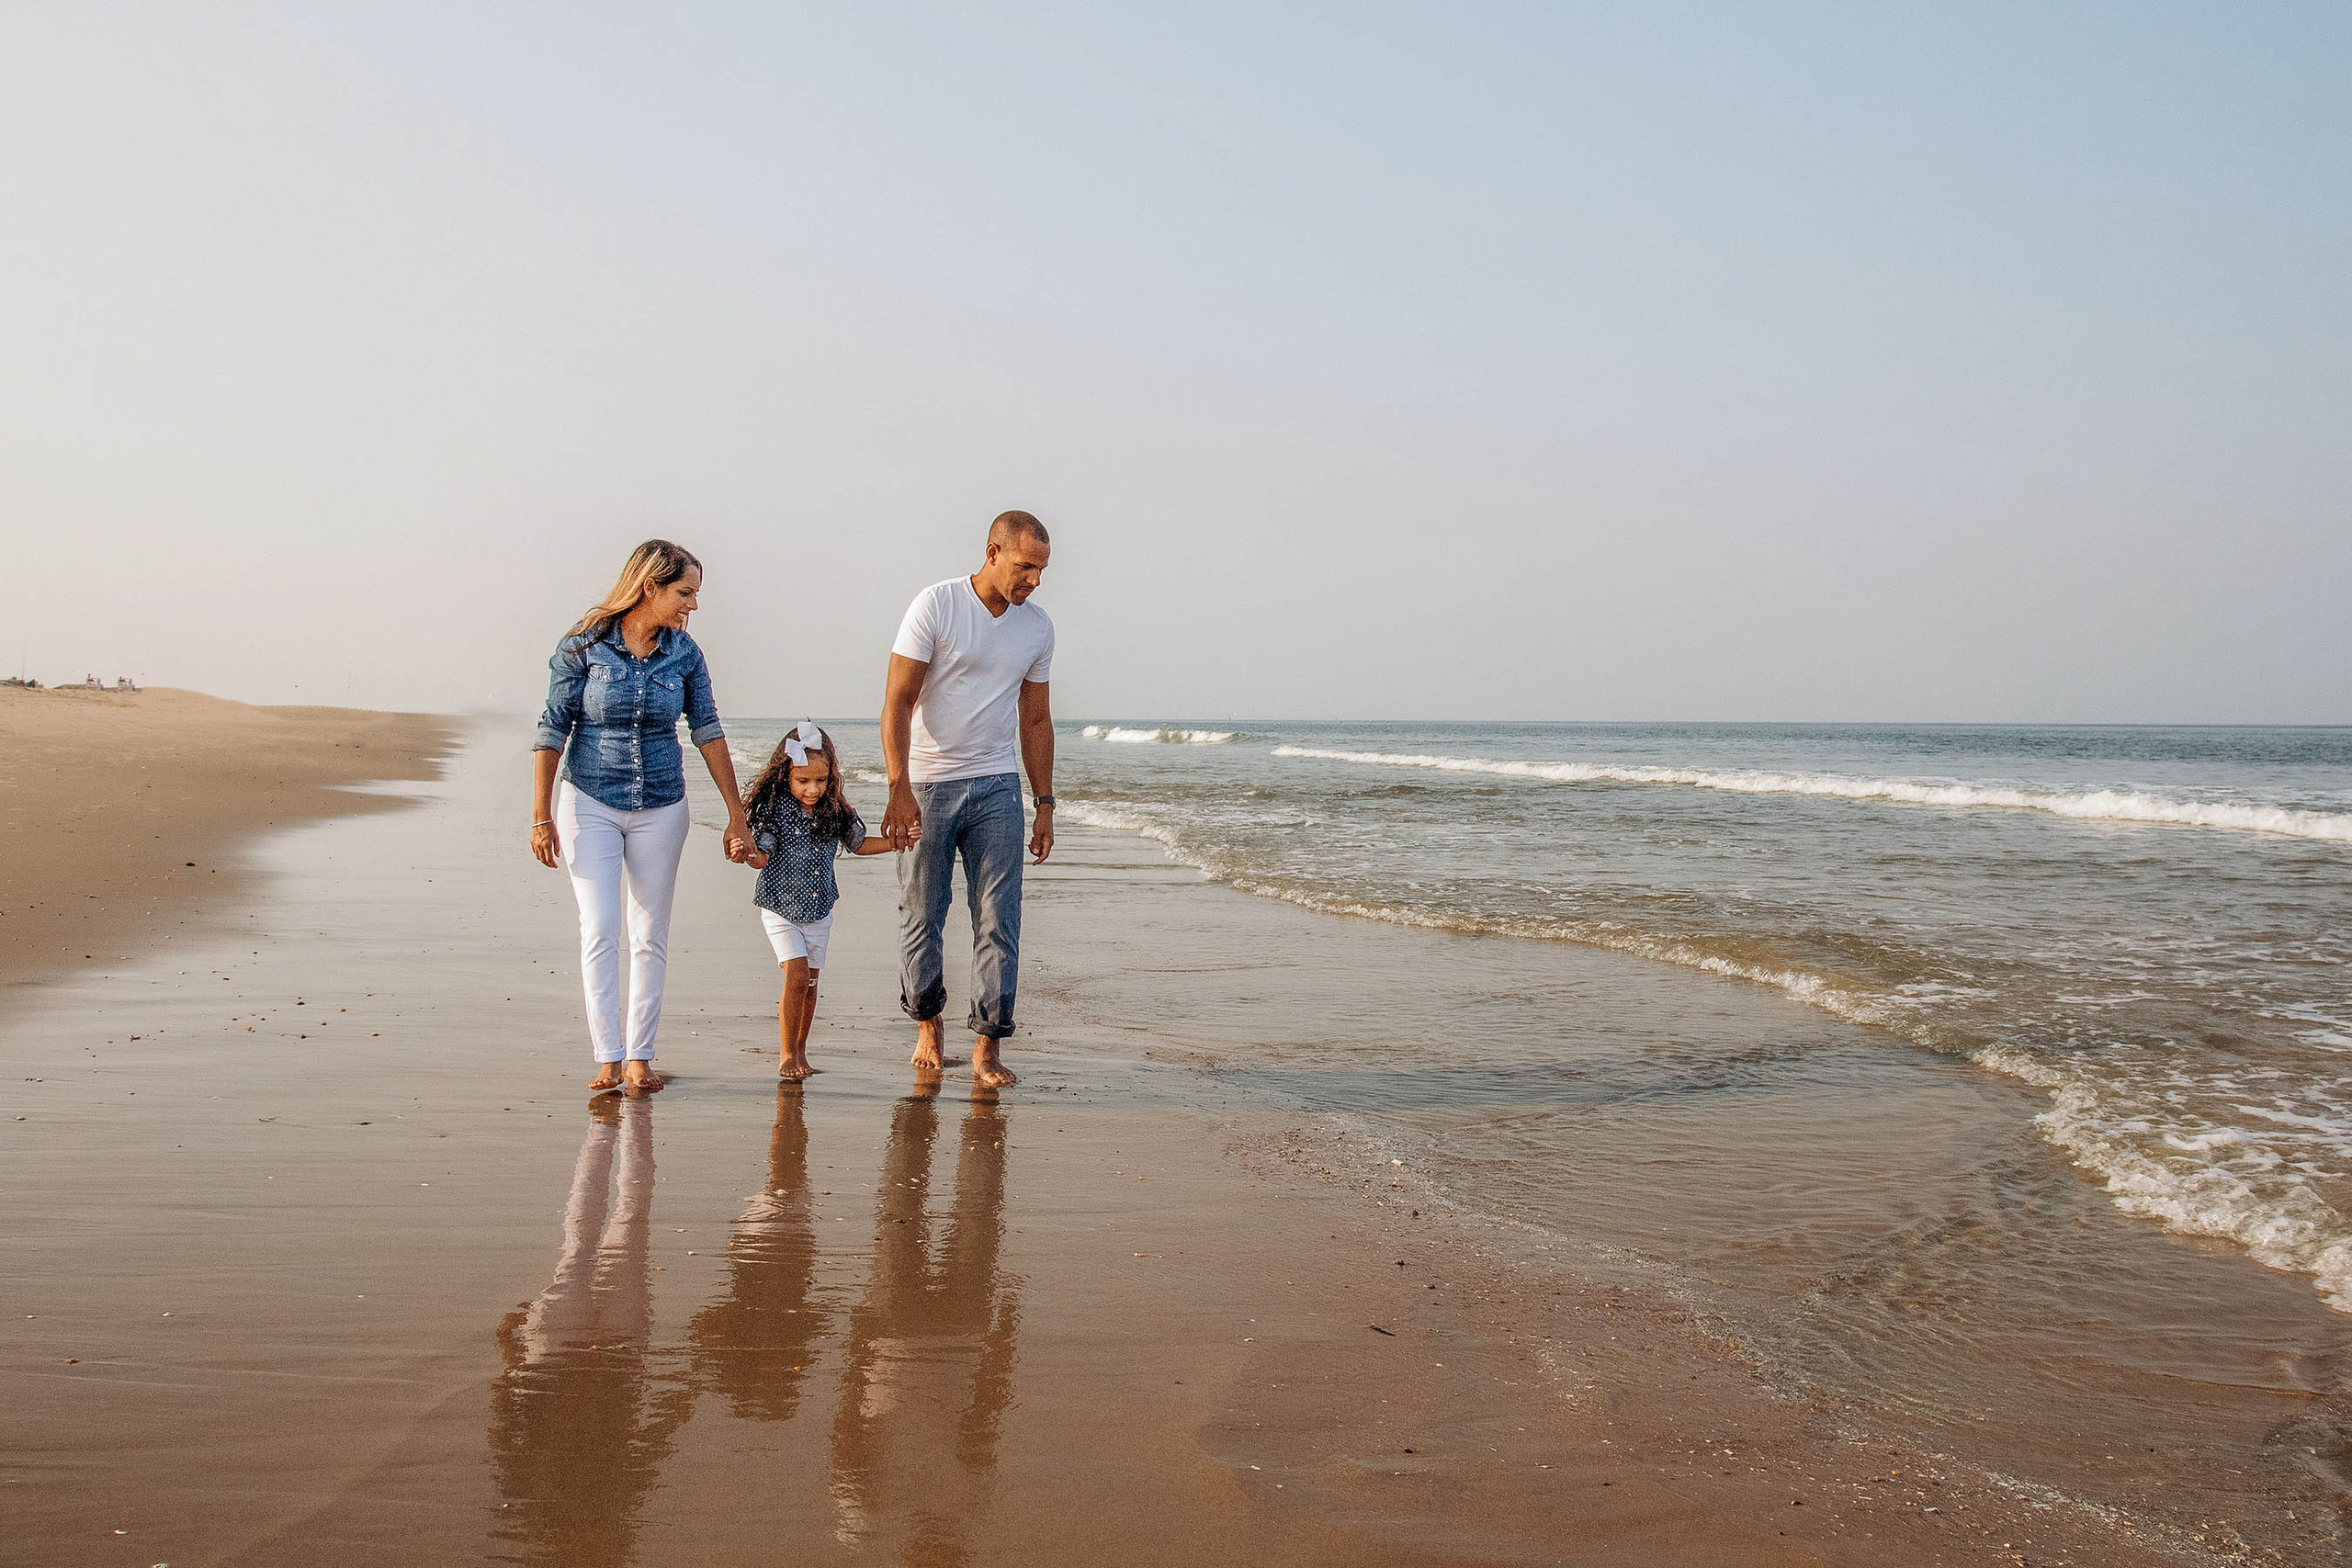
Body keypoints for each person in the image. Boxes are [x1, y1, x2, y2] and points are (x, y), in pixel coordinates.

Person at [530, 539, 752, 1094]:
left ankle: (639, 1058)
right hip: (589, 801)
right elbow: (552, 728)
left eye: (696, 594)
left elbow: (707, 729)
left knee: (650, 932)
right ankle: (608, 1056)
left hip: (663, 805)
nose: (693, 606)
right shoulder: (583, 647)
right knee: (600, 926)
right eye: (685, 592)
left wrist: (736, 815)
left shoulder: (686, 655)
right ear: (650, 586)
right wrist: (540, 814)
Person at [879, 511, 1057, 1090]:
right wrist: (899, 788)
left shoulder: (1038, 628)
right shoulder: (937, 605)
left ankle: (987, 1045)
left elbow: (1035, 718)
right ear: (993, 551)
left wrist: (1045, 803)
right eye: (1026, 565)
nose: (1034, 579)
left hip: (999, 786)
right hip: (929, 784)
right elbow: (898, 702)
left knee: (999, 920)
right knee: (923, 915)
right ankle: (927, 1028)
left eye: (1042, 569)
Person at [741, 721, 891, 1081]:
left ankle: (802, 1048)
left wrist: (895, 843)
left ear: (830, 777)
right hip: (779, 906)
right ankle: (787, 1051)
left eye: (820, 781)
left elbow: (859, 844)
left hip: (819, 908)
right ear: (786, 776)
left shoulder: (835, 809)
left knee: (810, 982)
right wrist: (747, 854)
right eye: (803, 781)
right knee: (796, 974)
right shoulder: (775, 811)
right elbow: (762, 855)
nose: (813, 789)